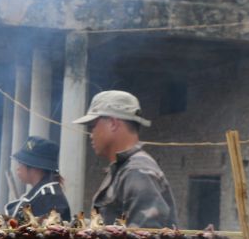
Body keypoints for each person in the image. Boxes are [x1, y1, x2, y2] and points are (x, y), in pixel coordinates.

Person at [74, 90, 177, 227]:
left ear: (113, 123)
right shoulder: (123, 169)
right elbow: (115, 228)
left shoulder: (138, 172)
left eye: (93, 127)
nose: (90, 135)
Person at [4, 136, 71, 222]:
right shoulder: (41, 194)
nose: (18, 168)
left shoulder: (49, 197)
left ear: (35, 167)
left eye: (21, 163)